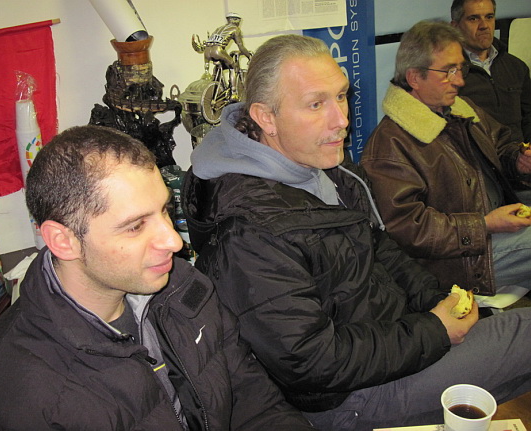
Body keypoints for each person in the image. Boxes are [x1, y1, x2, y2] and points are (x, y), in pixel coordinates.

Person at [182, 33, 531, 430]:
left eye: (341, 96)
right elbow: (312, 362)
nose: (342, 120)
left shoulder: (323, 166)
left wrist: (435, 299)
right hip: (348, 395)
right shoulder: (248, 231)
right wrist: (434, 331)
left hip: (391, 340)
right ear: (266, 117)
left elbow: (380, 248)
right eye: (316, 104)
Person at [0, 125, 315, 430]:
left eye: (165, 210)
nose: (173, 241)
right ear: (64, 241)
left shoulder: (184, 288)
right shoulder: (19, 399)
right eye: (135, 226)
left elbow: (254, 402)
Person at [361, 20, 531, 311]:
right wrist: (484, 225)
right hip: (459, 262)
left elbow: (501, 144)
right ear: (415, 77)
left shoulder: (462, 110)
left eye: (461, 69)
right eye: (449, 71)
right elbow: (409, 230)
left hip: (493, 229)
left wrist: (519, 160)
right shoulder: (390, 145)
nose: (460, 81)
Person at [451, 0, 531, 149]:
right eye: (473, 18)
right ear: (455, 27)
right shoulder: (446, 73)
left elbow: (528, 116)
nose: (484, 25)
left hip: (520, 156)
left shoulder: (516, 67)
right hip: (476, 159)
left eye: (489, 17)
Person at [193, 12, 252, 100]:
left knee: (219, 66)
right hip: (217, 51)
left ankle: (216, 85)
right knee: (233, 67)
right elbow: (241, 46)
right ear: (236, 20)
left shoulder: (219, 28)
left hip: (207, 52)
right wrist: (248, 56)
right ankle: (234, 93)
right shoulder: (235, 29)